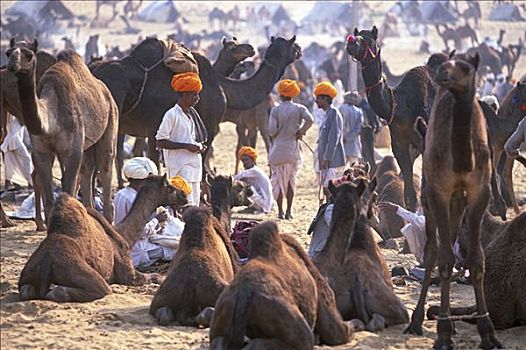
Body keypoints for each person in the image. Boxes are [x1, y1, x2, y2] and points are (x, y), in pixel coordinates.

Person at [114, 157, 191, 268]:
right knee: (179, 249)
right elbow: (139, 232)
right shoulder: (136, 200)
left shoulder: (120, 194)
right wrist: (157, 220)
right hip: (138, 248)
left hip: (126, 243)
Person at [156, 72, 208, 206]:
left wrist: (198, 147)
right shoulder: (171, 115)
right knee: (183, 208)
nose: (197, 98)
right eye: (194, 94)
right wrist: (186, 146)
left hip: (194, 168)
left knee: (194, 206)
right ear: (184, 95)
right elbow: (160, 141)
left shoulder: (191, 115)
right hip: (180, 169)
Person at [268, 79, 314, 219]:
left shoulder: (275, 110)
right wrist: (301, 131)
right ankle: (289, 211)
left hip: (277, 151)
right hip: (292, 150)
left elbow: (271, 130)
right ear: (293, 94)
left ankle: (280, 212)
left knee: (278, 182)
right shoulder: (299, 109)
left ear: (281, 95)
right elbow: (310, 120)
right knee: (290, 181)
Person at [314, 81, 346, 202]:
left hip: (333, 161)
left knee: (329, 189)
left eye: (318, 98)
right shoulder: (327, 114)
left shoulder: (334, 113)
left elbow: (334, 138)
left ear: (325, 98)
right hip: (327, 161)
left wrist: (327, 158)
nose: (316, 101)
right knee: (326, 188)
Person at [235, 146, 273, 214]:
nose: (244, 163)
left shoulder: (254, 171)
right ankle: (253, 206)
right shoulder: (251, 171)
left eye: (246, 160)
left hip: (264, 204)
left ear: (253, 160)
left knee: (244, 187)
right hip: (262, 201)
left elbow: (237, 178)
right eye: (243, 160)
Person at [1, 114, 33, 190]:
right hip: (12, 139)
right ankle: (31, 183)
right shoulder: (14, 118)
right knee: (26, 159)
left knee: (9, 163)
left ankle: (8, 184)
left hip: (10, 140)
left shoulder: (19, 123)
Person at [340, 91, 364, 167]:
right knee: (354, 168)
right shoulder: (359, 111)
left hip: (341, 143)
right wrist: (349, 138)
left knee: (340, 170)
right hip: (354, 144)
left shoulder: (340, 108)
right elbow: (358, 129)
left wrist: (342, 138)